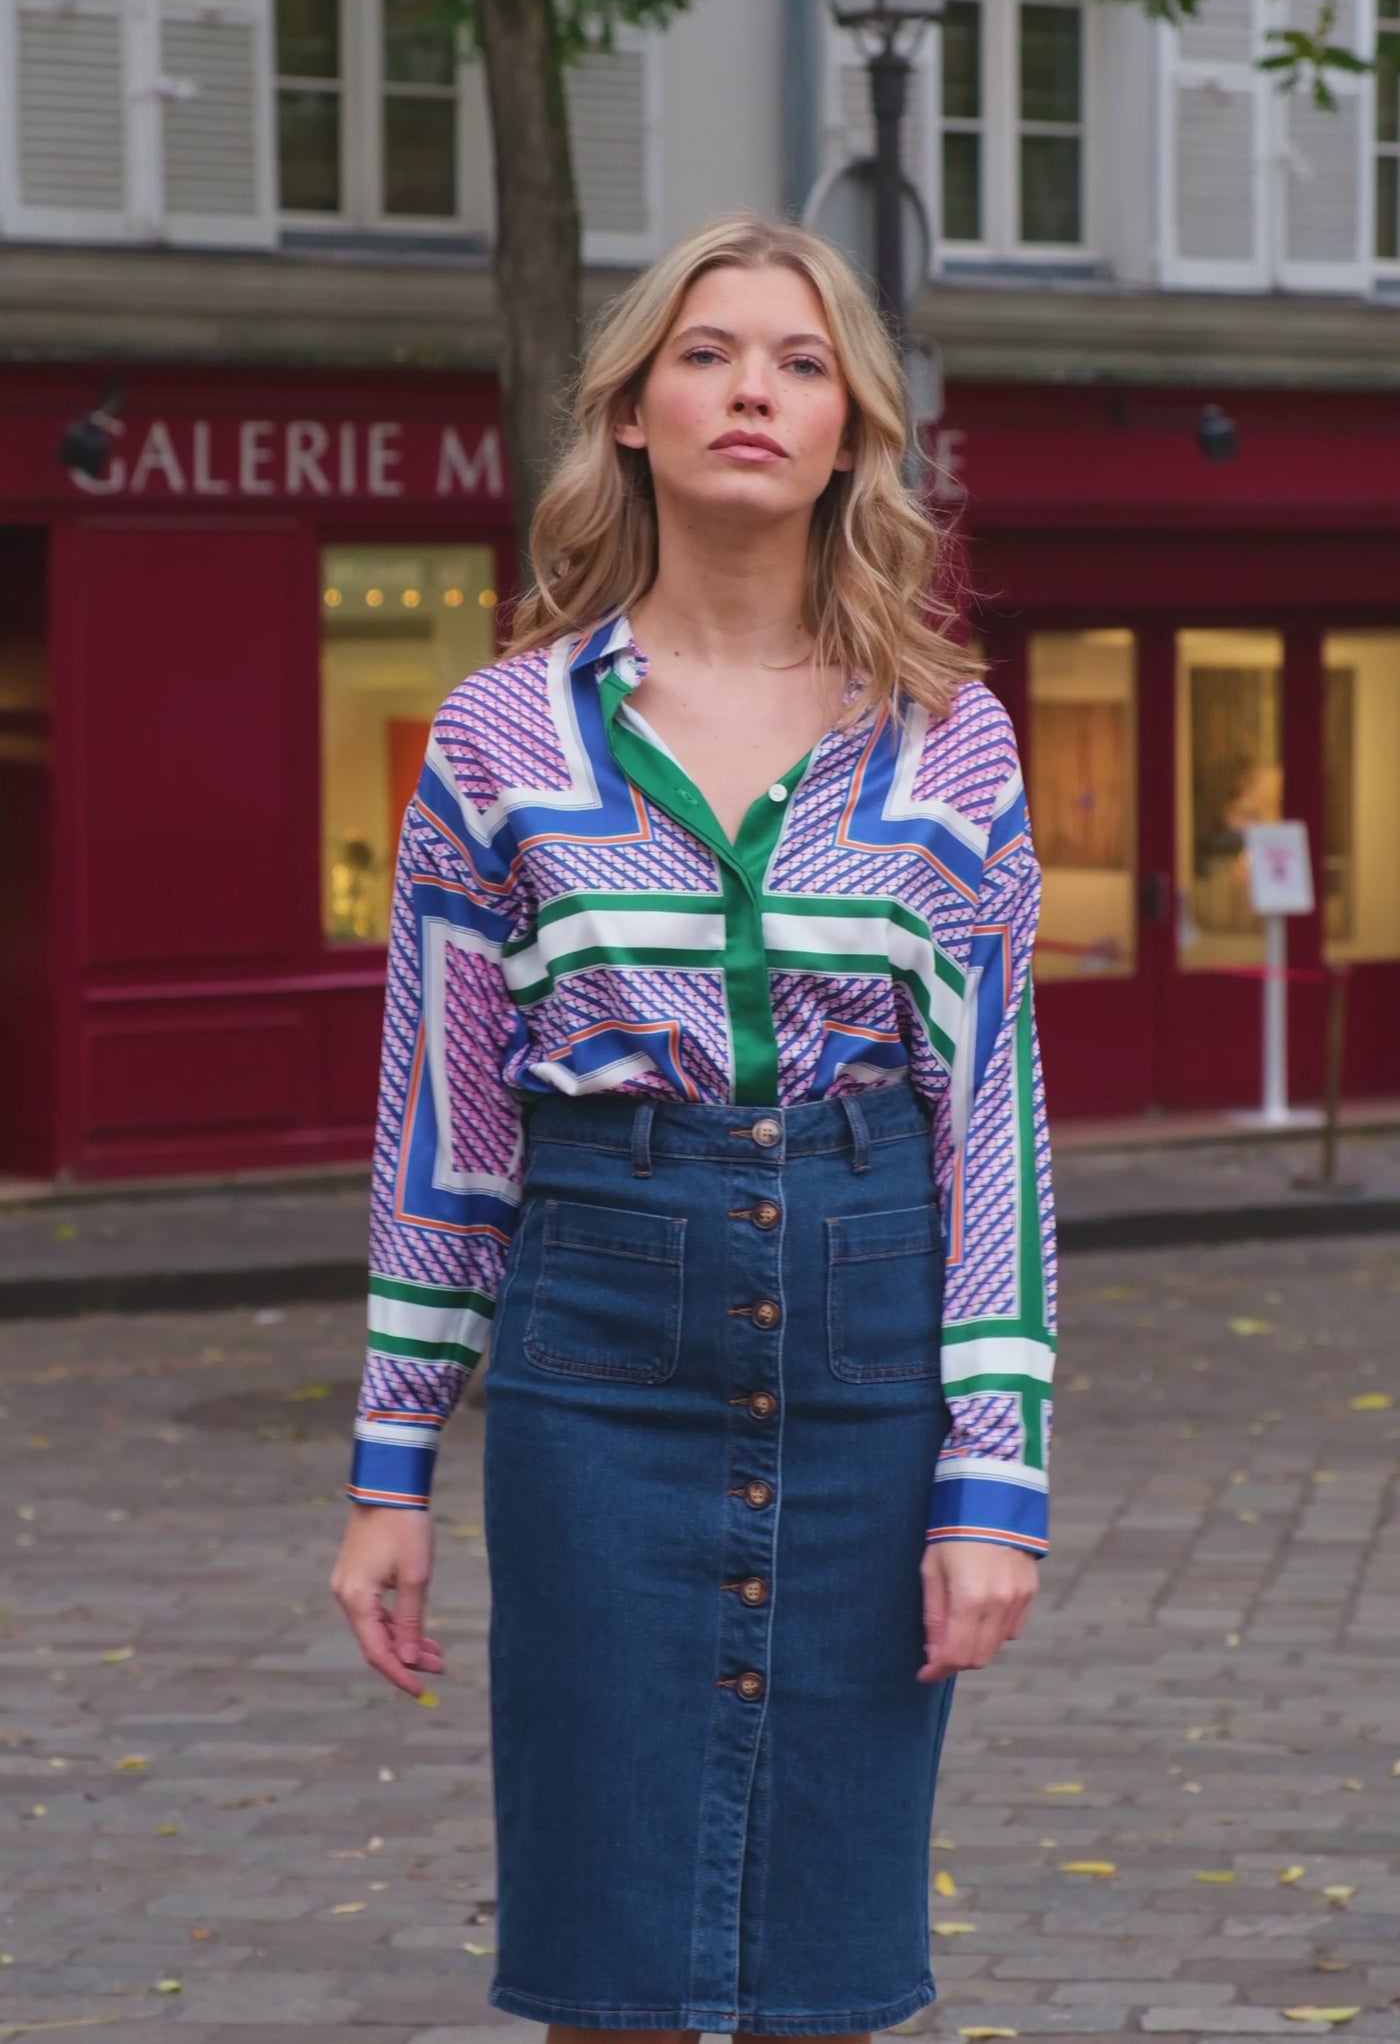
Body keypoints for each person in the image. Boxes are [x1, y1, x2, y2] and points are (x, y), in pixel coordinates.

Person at [331, 211, 1057, 2044]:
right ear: (635, 412)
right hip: (595, 1341)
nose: (757, 388)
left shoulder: (947, 738)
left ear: (852, 435)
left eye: (804, 363)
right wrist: (390, 1468)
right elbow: (445, 1127)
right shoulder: (503, 736)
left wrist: (995, 1485)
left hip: (873, 1323)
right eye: (712, 352)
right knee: (608, 1946)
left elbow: (993, 1132)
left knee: (830, 1953)